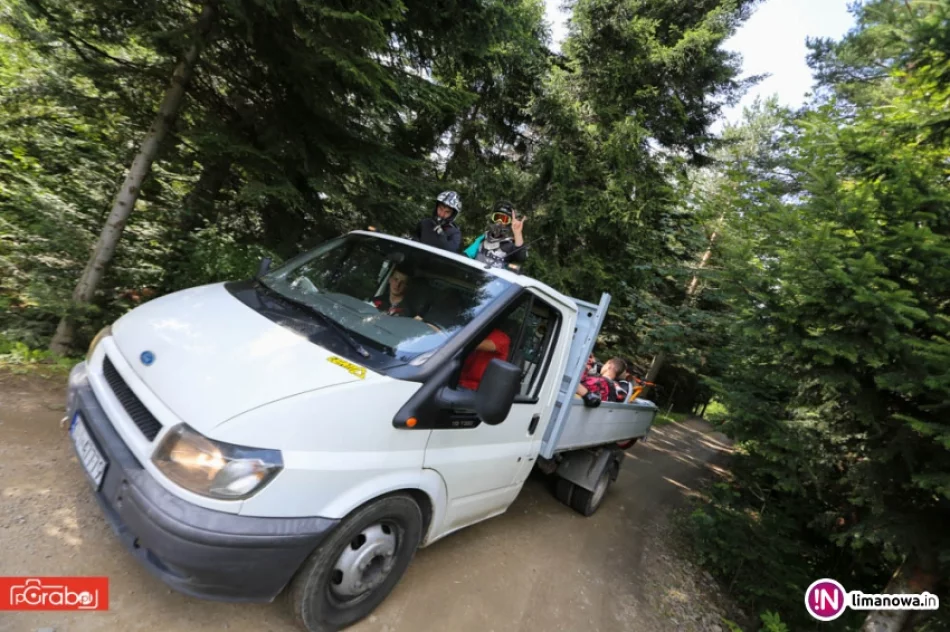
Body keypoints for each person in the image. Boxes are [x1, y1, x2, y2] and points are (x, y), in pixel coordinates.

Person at [463, 201, 527, 268]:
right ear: (492, 219)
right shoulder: (483, 239)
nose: (499, 221)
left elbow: (521, 258)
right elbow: (465, 256)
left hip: (495, 278)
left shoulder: (510, 245)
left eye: (504, 219)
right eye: (497, 217)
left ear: (509, 223)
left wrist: (517, 233)